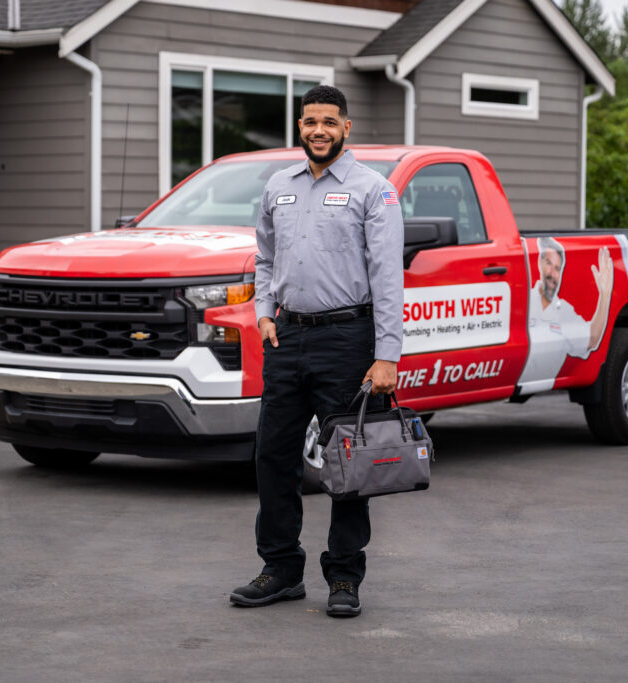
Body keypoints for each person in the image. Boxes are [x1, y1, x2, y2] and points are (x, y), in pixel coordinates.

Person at [229, 85, 404, 618]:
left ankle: (345, 577)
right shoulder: (278, 187)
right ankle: (281, 570)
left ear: (346, 127)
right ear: (299, 127)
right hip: (286, 336)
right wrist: (262, 311)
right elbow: (263, 256)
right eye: (310, 121)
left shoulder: (374, 190)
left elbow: (388, 276)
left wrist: (388, 354)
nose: (319, 130)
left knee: (348, 463)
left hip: (348, 339)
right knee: (273, 456)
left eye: (329, 121)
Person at [517, 236, 614, 393]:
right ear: (539, 263)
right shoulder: (522, 300)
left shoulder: (564, 311)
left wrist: (605, 294)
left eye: (557, 268)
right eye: (549, 263)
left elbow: (592, 338)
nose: (552, 273)